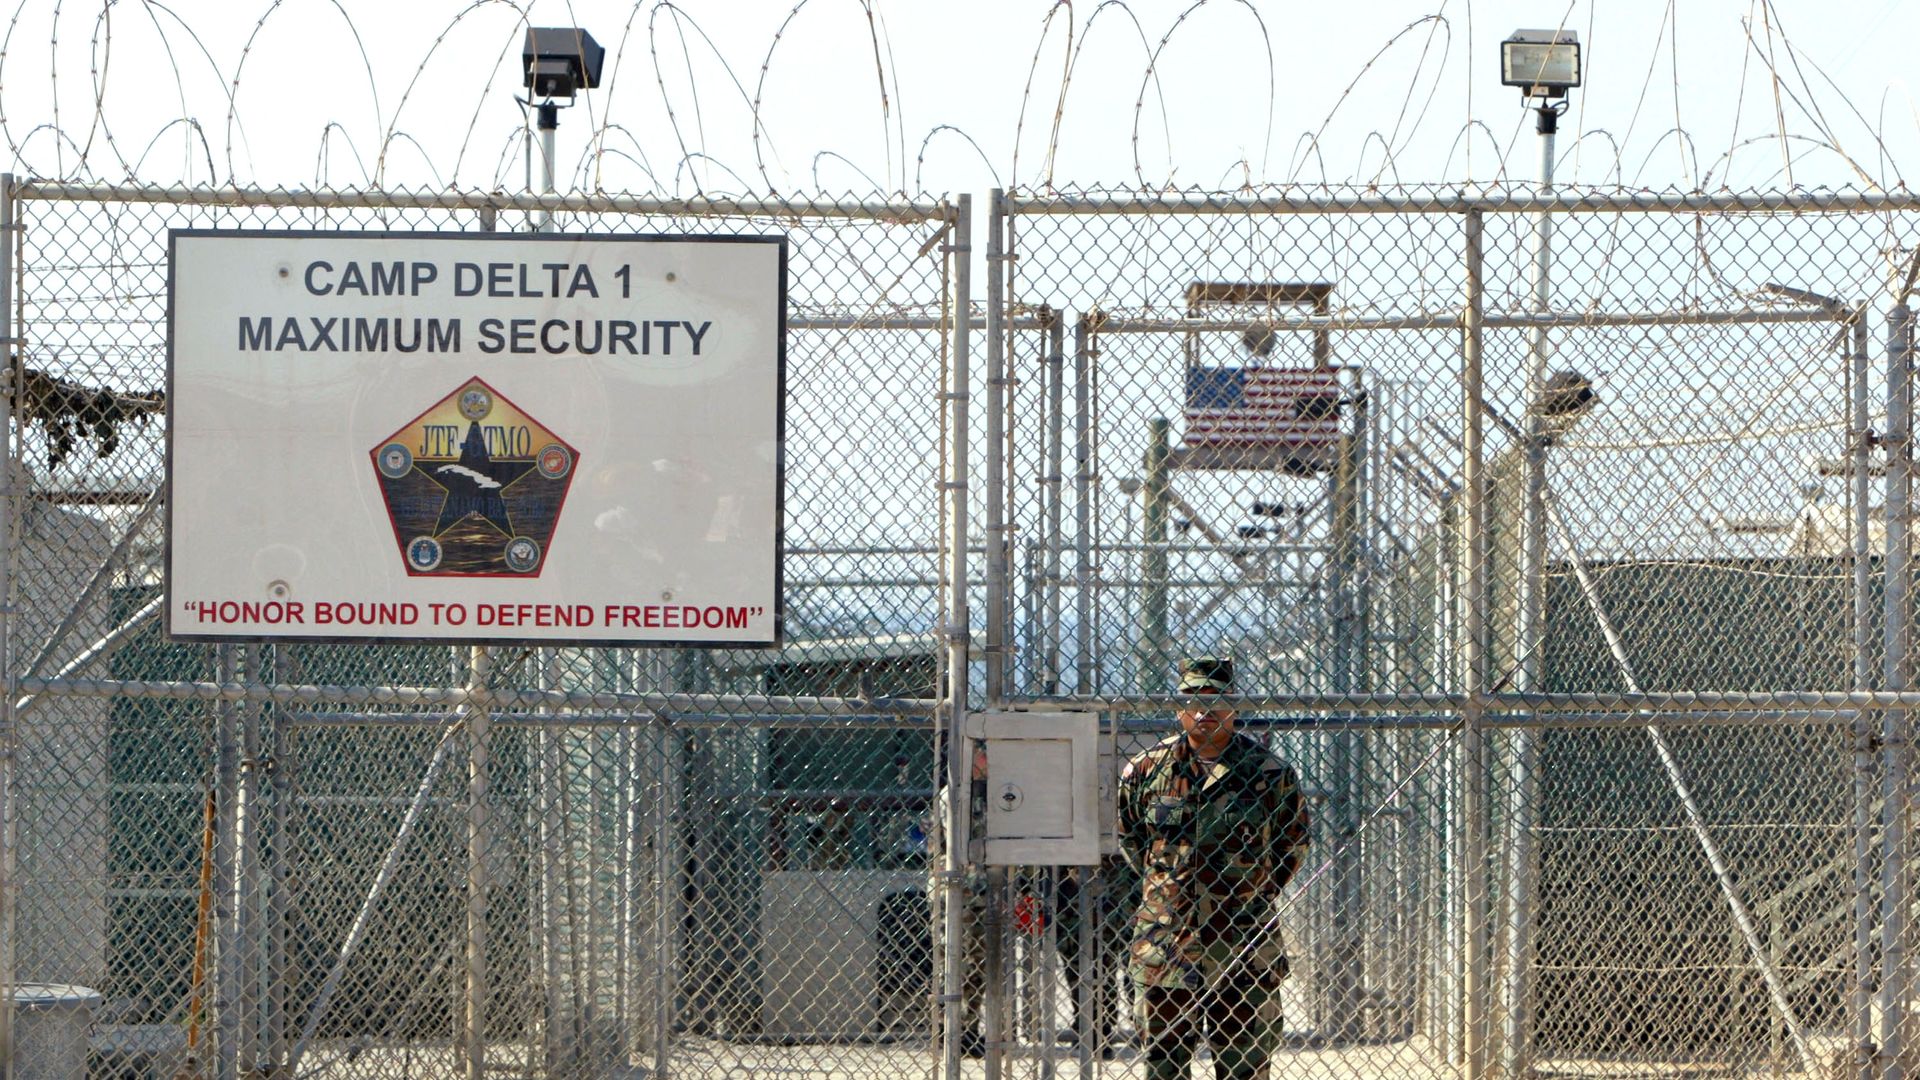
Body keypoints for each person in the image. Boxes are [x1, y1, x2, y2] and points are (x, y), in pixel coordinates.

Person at [1116, 656, 1311, 1080]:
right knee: (1164, 1066)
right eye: (1194, 699)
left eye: (1218, 698)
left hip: (1242, 940)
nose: (1206, 709)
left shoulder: (1269, 773)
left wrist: (1245, 892)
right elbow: (1133, 842)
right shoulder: (1146, 771)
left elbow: (1291, 846)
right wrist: (1170, 889)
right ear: (1179, 707)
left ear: (1235, 707)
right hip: (1166, 944)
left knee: (1245, 1064)